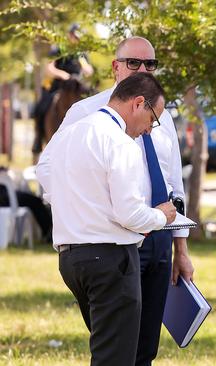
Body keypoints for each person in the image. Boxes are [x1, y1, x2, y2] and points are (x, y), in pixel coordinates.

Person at [39, 36, 194, 366]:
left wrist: (180, 247)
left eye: (150, 64)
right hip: (117, 241)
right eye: (134, 63)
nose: (143, 69)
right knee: (117, 349)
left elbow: (174, 180)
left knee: (140, 346)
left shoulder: (161, 114)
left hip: (149, 241)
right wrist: (79, 206)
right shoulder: (86, 115)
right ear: (116, 67)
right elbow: (48, 168)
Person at [32, 24, 93, 158]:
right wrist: (64, 75)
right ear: (69, 35)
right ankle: (38, 139)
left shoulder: (82, 54)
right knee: (40, 107)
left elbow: (89, 70)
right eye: (74, 36)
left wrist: (87, 70)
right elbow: (49, 68)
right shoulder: (58, 49)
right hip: (59, 86)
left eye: (78, 37)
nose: (76, 39)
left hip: (77, 88)